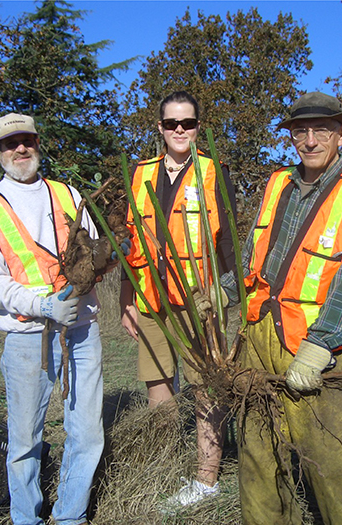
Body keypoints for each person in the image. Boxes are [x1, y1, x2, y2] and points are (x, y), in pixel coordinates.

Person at [218, 92, 342, 524]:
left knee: (336, 462)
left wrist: (321, 343)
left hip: (314, 346)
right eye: (300, 131)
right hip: (258, 336)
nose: (309, 141)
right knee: (258, 454)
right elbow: (262, 255)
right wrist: (224, 291)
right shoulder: (279, 184)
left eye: (321, 131)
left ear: (341, 135)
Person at [0, 113, 105, 525]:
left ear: (37, 142)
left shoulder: (68, 193)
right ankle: (26, 517)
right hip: (27, 337)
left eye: (27, 140)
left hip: (82, 331)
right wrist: (42, 305)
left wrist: (96, 265)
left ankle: (70, 515)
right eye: (10, 144)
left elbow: (95, 249)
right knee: (25, 439)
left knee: (86, 432)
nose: (20, 149)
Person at [119, 91, 236, 510]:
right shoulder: (140, 173)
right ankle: (163, 465)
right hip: (151, 301)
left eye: (187, 123)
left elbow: (228, 245)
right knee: (157, 384)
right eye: (172, 124)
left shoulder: (212, 172)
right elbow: (131, 244)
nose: (180, 130)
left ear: (198, 126)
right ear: (160, 128)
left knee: (206, 386)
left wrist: (226, 298)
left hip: (198, 302)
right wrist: (125, 298)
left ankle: (206, 480)